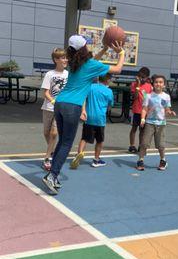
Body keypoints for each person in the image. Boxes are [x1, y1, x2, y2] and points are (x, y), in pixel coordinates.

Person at [42, 35, 125, 195]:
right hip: (72, 107)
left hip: (59, 104)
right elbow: (117, 69)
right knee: (67, 143)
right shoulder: (89, 64)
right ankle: (52, 176)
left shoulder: (74, 63)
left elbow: (93, 59)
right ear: (84, 48)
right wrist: (120, 53)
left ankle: (52, 173)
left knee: (62, 141)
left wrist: (105, 49)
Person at [70, 73, 114, 169]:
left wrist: (83, 110)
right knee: (100, 140)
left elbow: (83, 98)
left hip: (89, 117)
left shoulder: (90, 87)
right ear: (107, 80)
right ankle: (96, 160)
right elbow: (110, 105)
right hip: (100, 119)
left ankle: (79, 154)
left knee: (84, 138)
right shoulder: (109, 91)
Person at [136, 75, 176, 171]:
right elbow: (144, 109)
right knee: (144, 143)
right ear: (153, 84)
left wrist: (170, 112)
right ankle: (140, 160)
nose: (158, 84)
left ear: (164, 85)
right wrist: (142, 119)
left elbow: (167, 109)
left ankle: (163, 161)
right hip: (149, 123)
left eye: (161, 82)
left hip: (161, 124)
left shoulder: (166, 96)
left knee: (160, 145)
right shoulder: (148, 96)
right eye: (156, 82)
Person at [41, 48, 68, 171]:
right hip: (48, 108)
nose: (65, 60)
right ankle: (51, 151)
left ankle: (47, 158)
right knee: (46, 133)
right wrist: (52, 101)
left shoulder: (68, 75)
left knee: (54, 133)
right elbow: (45, 92)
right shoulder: (49, 74)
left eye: (66, 57)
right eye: (62, 58)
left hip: (61, 109)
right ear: (56, 60)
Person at [128, 67, 152, 153]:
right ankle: (132, 145)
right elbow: (135, 97)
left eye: (143, 77)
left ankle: (141, 146)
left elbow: (150, 99)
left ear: (147, 78)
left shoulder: (149, 86)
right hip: (136, 110)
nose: (141, 78)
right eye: (140, 76)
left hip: (144, 112)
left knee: (142, 130)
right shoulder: (134, 84)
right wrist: (138, 85)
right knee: (134, 128)